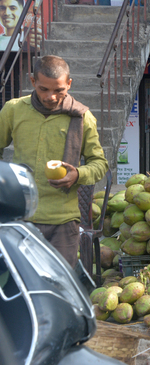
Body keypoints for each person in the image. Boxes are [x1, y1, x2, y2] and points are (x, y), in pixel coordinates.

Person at [0, 55, 109, 268]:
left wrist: (77, 174)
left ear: (69, 84)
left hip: (63, 222)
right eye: (43, 89)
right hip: (21, 218)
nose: (51, 97)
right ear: (33, 82)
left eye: (59, 90)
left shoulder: (82, 118)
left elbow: (99, 163)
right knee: (22, 283)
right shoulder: (14, 110)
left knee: (59, 287)